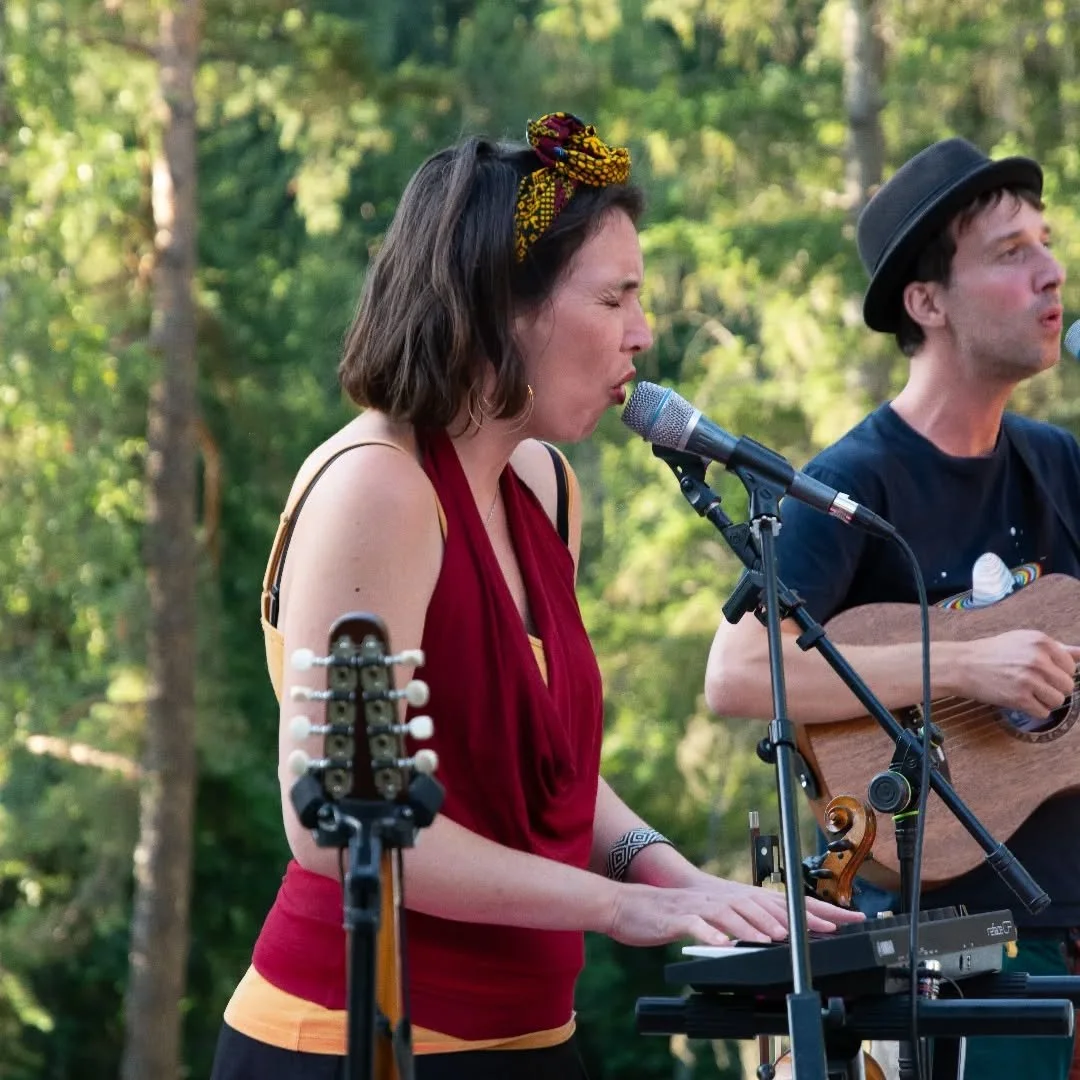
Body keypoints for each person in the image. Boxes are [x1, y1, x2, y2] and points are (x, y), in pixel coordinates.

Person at [208, 112, 860, 1080]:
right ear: (503, 305)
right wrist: (623, 909)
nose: (642, 334)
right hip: (356, 1043)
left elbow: (541, 772)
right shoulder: (377, 489)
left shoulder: (544, 486)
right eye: (616, 297)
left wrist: (680, 881)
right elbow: (336, 824)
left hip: (533, 1040)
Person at [705, 136, 1080, 1079]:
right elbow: (740, 671)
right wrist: (963, 664)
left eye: (1047, 242)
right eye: (1011, 253)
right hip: (949, 963)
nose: (1052, 270)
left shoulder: (1060, 466)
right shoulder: (848, 485)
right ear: (926, 303)